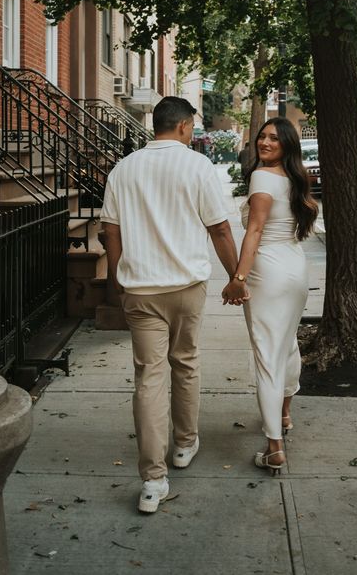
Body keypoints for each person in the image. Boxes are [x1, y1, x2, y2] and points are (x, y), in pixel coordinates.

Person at [101, 96, 248, 514]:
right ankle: (184, 444)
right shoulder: (198, 166)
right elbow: (219, 228)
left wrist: (117, 280)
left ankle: (152, 480)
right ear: (184, 126)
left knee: (149, 378)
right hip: (186, 286)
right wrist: (236, 277)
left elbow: (110, 231)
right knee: (185, 361)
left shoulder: (123, 169)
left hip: (141, 289)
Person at [222, 117, 318, 475]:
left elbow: (256, 230)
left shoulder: (262, 177)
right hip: (295, 267)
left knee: (267, 354)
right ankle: (284, 414)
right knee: (286, 345)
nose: (264, 142)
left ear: (287, 145)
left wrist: (238, 277)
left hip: (269, 272)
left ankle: (274, 447)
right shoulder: (294, 178)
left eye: (274, 139)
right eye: (262, 136)